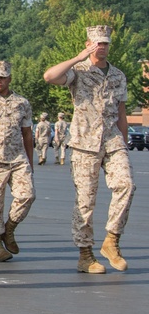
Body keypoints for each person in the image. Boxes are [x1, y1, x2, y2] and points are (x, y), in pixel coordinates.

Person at [43, 25, 135, 273]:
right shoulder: (78, 72)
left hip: (113, 140)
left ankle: (112, 240)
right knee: (85, 202)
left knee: (126, 184)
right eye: (96, 43)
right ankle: (85, 255)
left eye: (104, 43)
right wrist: (77, 58)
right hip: (85, 143)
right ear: (88, 44)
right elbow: (50, 77)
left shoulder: (118, 75)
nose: (101, 47)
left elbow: (122, 113)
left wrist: (124, 144)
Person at [0, 60, 36, 262]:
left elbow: (27, 134)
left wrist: (30, 163)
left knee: (28, 195)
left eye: (2, 77)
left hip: (17, 158)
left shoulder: (21, 103)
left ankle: (10, 228)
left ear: (9, 79)